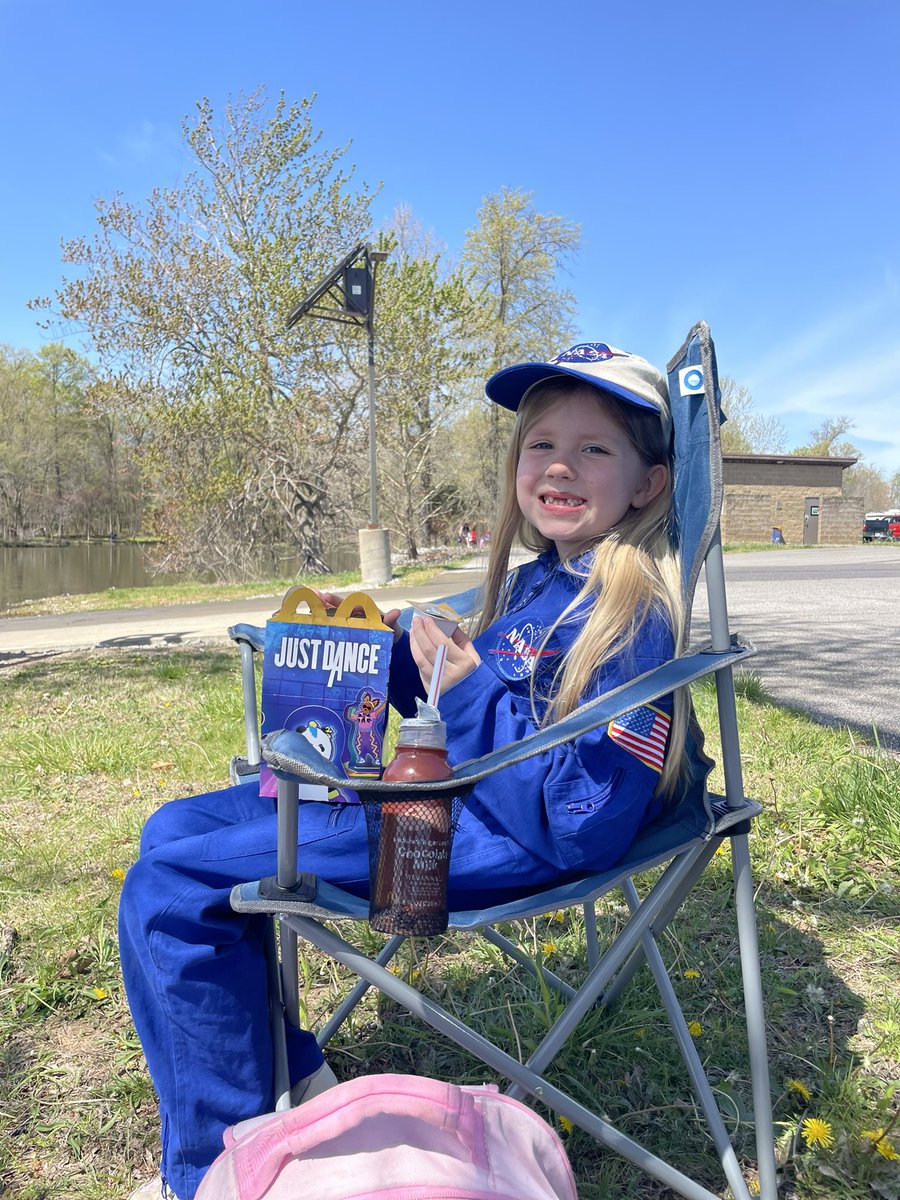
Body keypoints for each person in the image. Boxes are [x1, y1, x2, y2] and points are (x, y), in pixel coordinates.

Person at [120, 341, 705, 1200]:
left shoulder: (630, 617)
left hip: (489, 836)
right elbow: (460, 698)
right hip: (441, 796)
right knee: (172, 830)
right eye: (541, 444)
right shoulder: (538, 583)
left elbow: (581, 822)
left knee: (169, 890)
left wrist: (466, 694)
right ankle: (292, 1077)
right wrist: (382, 650)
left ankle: (217, 1167)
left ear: (648, 484)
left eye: (595, 449)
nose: (559, 466)